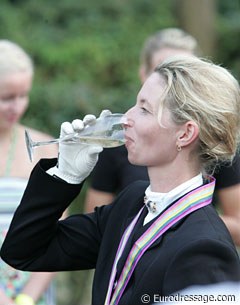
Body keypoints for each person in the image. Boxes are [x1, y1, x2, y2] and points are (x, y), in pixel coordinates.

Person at [1, 56, 240, 305]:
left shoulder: (206, 248)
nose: (127, 117)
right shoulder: (131, 203)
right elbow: (24, 251)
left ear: (185, 133)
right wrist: (66, 174)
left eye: (144, 109)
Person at [84, 28, 240, 248]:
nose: (174, 80)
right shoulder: (119, 143)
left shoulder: (211, 144)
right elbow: (95, 230)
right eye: (165, 69)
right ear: (144, 73)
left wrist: (172, 218)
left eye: (186, 72)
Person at [0, 40, 61, 305]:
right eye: (6, 98)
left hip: (31, 293)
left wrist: (26, 298)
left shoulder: (44, 148)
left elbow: (58, 231)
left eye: (23, 95)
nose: (17, 106)